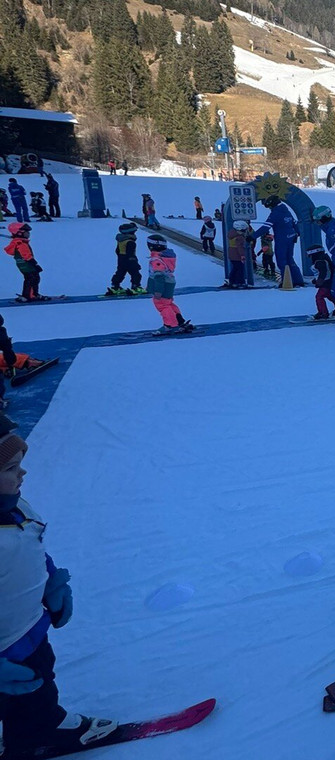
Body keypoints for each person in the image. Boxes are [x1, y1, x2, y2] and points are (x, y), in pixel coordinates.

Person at [0, 413, 120, 755]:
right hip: (4, 647)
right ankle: (33, 738)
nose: (22, 474)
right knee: (23, 690)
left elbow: (30, 544)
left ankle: (37, 730)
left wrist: (50, 582)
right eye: (10, 468)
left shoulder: (15, 508)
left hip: (29, 629)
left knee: (36, 684)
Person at [249, 197, 303, 288]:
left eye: (269, 207)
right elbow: (294, 222)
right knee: (290, 259)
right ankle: (298, 280)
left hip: (282, 239)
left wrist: (252, 236)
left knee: (282, 260)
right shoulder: (286, 211)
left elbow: (266, 227)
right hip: (291, 237)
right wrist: (297, 233)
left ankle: (286, 281)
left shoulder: (275, 213)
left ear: (272, 205)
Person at [146, 233, 193, 334]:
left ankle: (170, 325)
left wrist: (158, 291)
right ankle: (179, 320)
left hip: (163, 285)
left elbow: (159, 276)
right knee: (168, 303)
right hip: (168, 283)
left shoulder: (156, 260)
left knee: (162, 305)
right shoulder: (165, 257)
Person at [5, 223, 46, 303]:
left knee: (31, 278)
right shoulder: (21, 243)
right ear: (19, 233)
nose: (28, 234)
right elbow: (26, 255)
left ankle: (31, 294)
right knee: (32, 278)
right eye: (26, 232)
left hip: (22, 264)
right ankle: (29, 295)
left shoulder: (17, 242)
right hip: (27, 264)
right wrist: (35, 264)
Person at [106, 221, 144, 296]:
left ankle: (115, 285)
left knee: (120, 272)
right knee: (135, 273)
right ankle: (135, 286)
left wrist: (121, 258)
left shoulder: (121, 240)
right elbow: (130, 253)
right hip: (130, 259)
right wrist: (135, 263)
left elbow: (117, 250)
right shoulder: (130, 242)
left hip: (121, 258)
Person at [306, 244, 335, 320]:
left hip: (326, 283)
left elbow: (323, 272)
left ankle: (323, 313)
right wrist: (316, 280)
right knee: (331, 296)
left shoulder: (320, 262)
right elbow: (321, 272)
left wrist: (319, 281)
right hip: (328, 282)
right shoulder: (322, 260)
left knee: (319, 297)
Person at [226, 221, 248, 288]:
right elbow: (240, 247)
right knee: (240, 269)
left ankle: (232, 281)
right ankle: (240, 282)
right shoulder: (239, 237)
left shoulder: (232, 234)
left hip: (231, 254)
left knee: (235, 268)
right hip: (237, 255)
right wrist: (242, 255)